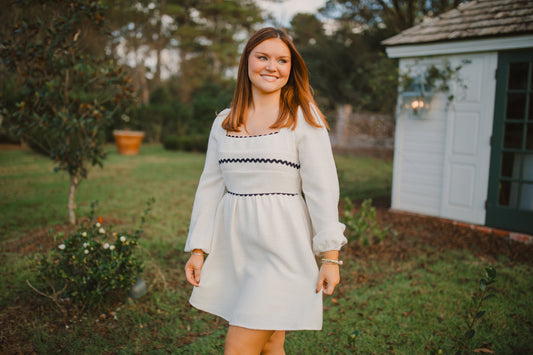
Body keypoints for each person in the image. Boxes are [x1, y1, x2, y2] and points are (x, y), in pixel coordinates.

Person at [184, 27, 347, 354]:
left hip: (282, 249)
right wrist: (199, 249)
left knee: (239, 347)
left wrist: (330, 257)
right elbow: (209, 188)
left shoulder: (303, 117)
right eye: (263, 57)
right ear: (247, 62)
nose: (272, 66)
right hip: (237, 250)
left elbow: (322, 189)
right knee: (272, 344)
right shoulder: (224, 122)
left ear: (291, 68)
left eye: (282, 60)